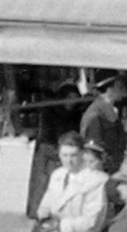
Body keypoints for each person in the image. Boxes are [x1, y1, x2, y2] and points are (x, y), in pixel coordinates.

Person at [26, 82, 86, 220]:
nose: (72, 101)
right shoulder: (50, 111)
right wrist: (60, 154)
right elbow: (46, 138)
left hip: (65, 156)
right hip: (48, 154)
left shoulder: (75, 115)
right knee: (44, 188)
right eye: (69, 97)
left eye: (75, 98)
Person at [79, 75, 127, 177]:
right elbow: (92, 149)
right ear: (109, 90)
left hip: (112, 168)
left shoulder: (109, 111)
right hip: (100, 171)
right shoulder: (96, 113)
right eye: (120, 87)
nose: (124, 91)